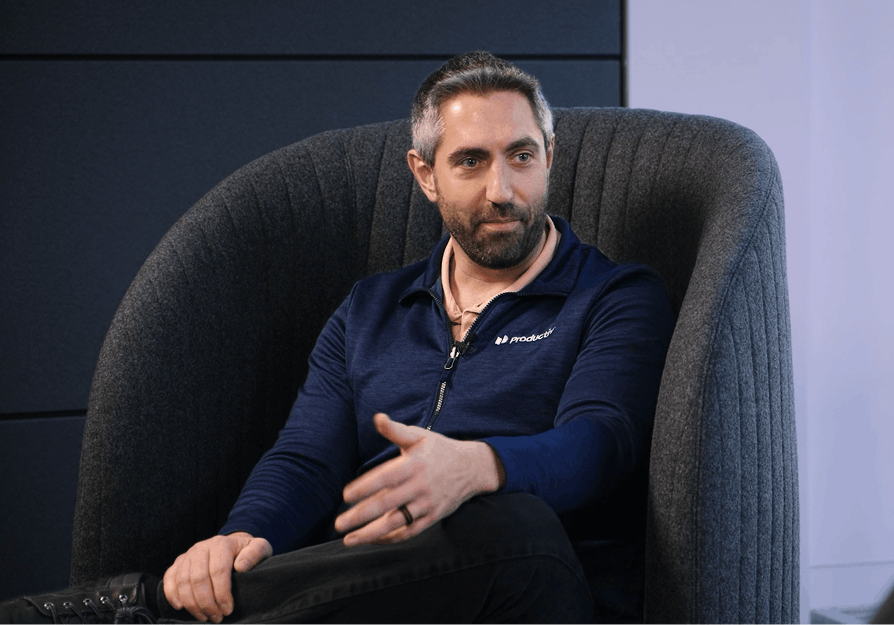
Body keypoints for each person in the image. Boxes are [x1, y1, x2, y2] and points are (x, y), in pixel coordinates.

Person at [2, 51, 674, 624]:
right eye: (471, 162)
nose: (503, 189)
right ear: (425, 174)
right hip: (378, 592)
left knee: (510, 521)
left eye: (521, 156)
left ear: (549, 158)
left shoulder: (614, 296)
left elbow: (601, 442)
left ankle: (140, 609)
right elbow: (306, 459)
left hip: (534, 584)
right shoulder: (373, 308)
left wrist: (476, 467)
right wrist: (237, 538)